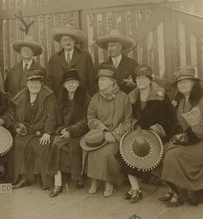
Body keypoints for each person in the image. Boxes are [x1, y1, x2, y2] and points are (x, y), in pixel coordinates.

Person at [160, 66, 203, 207]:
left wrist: (189, 136)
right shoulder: (182, 102)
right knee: (168, 148)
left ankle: (179, 193)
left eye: (185, 81)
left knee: (175, 155)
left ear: (193, 83)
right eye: (179, 82)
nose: (182, 84)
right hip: (194, 139)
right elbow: (183, 126)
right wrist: (179, 137)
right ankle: (174, 188)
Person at [122, 65, 175, 203]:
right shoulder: (132, 96)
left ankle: (138, 186)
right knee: (129, 148)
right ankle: (135, 189)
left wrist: (156, 129)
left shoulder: (160, 96)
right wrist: (135, 125)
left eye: (144, 78)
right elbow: (128, 116)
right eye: (138, 78)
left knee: (145, 148)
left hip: (157, 134)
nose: (140, 81)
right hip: (139, 132)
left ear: (150, 80)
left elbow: (169, 119)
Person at [84, 65, 132, 197]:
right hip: (100, 133)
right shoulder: (95, 98)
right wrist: (103, 132)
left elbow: (128, 121)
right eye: (99, 80)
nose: (100, 82)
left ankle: (109, 182)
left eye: (104, 80)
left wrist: (115, 134)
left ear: (113, 82)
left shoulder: (123, 98)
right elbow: (91, 118)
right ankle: (94, 181)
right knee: (91, 149)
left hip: (117, 135)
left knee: (108, 152)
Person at [45, 69, 90, 197]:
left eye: (73, 82)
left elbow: (86, 119)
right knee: (55, 144)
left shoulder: (85, 97)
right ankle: (58, 183)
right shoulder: (62, 96)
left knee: (74, 146)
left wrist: (71, 131)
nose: (71, 85)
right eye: (68, 82)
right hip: (63, 130)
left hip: (80, 131)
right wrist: (62, 129)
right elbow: (58, 116)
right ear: (64, 85)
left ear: (78, 84)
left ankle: (79, 176)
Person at [11, 69, 56, 190]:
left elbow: (52, 115)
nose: (34, 85)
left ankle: (43, 177)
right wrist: (17, 128)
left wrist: (47, 132)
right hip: (26, 132)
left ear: (42, 83)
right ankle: (25, 177)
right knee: (20, 144)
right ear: (27, 83)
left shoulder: (49, 95)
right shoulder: (21, 97)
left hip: (41, 131)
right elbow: (15, 119)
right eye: (31, 82)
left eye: (37, 82)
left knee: (43, 145)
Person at [46, 25, 96, 96]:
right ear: (61, 42)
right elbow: (49, 82)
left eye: (70, 39)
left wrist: (89, 98)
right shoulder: (54, 59)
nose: (67, 42)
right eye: (64, 40)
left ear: (74, 41)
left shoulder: (85, 56)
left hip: (81, 99)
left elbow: (92, 80)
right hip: (60, 100)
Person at [95, 29, 138, 94]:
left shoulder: (132, 64)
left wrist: (133, 85)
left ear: (120, 46)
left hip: (127, 101)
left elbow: (140, 85)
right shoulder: (103, 66)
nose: (109, 49)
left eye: (112, 45)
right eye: (108, 46)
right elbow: (97, 86)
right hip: (109, 101)